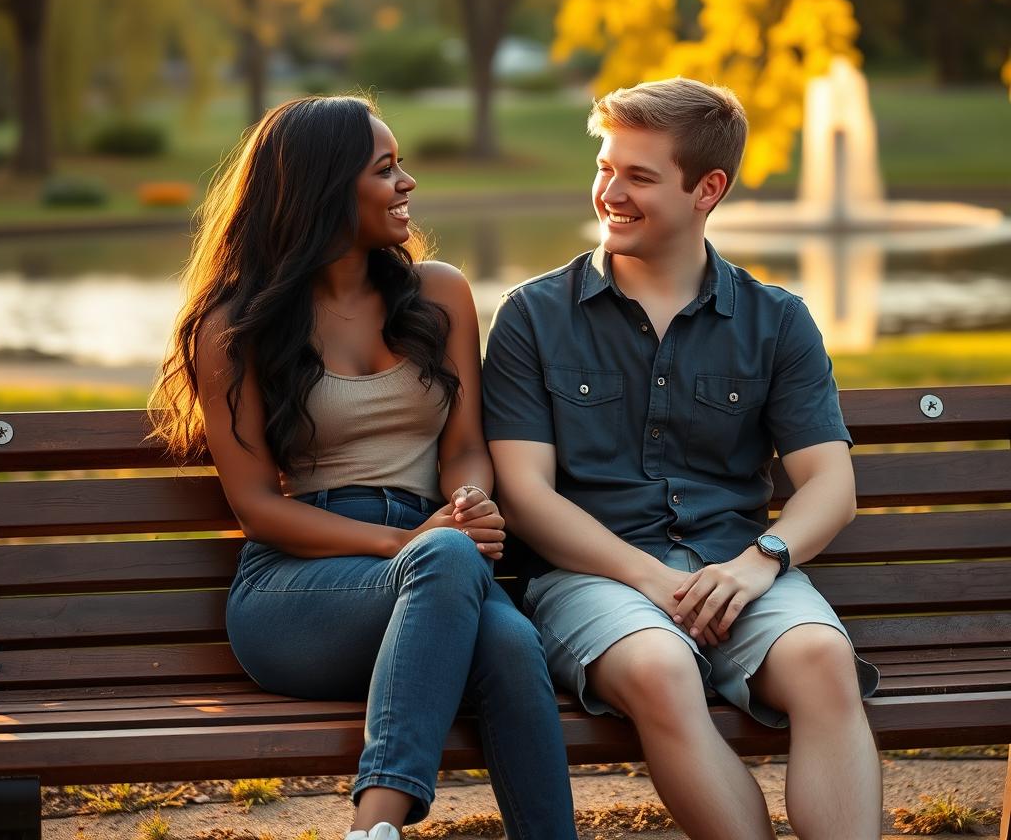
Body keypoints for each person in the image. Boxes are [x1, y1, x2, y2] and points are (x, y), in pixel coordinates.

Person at [149, 96, 577, 840]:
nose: (407, 182)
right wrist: (415, 545)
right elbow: (257, 507)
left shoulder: (439, 294)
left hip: (438, 567)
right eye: (385, 169)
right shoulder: (235, 327)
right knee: (451, 568)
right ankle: (375, 825)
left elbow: (465, 443)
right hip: (301, 591)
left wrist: (469, 498)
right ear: (322, 191)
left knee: (510, 643)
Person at [482, 78, 882, 840]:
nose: (610, 193)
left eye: (639, 176)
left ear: (709, 188)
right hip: (592, 577)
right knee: (662, 671)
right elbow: (527, 495)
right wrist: (654, 580)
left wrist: (759, 561)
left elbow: (831, 486)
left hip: (737, 573)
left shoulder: (776, 321)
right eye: (605, 167)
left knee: (826, 663)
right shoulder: (533, 315)